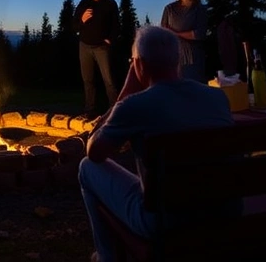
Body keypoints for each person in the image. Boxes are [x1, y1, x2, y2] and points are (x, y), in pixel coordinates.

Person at [79, 25, 234, 262]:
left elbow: (95, 152)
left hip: (164, 220)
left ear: (138, 64)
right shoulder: (217, 97)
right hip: (223, 212)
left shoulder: (134, 105)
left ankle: (106, 256)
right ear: (177, 61)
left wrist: (124, 95)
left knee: (86, 168)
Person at [72, 0, 120, 116]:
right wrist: (82, 20)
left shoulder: (109, 3)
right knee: (88, 80)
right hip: (85, 46)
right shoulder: (83, 4)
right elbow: (74, 26)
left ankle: (114, 111)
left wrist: (109, 40)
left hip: (101, 47)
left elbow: (116, 25)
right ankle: (89, 110)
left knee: (109, 80)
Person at [160, 0, 209, 82]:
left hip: (193, 59)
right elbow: (162, 33)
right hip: (173, 59)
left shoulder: (198, 9)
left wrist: (176, 34)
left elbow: (200, 33)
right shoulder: (170, 9)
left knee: (193, 92)